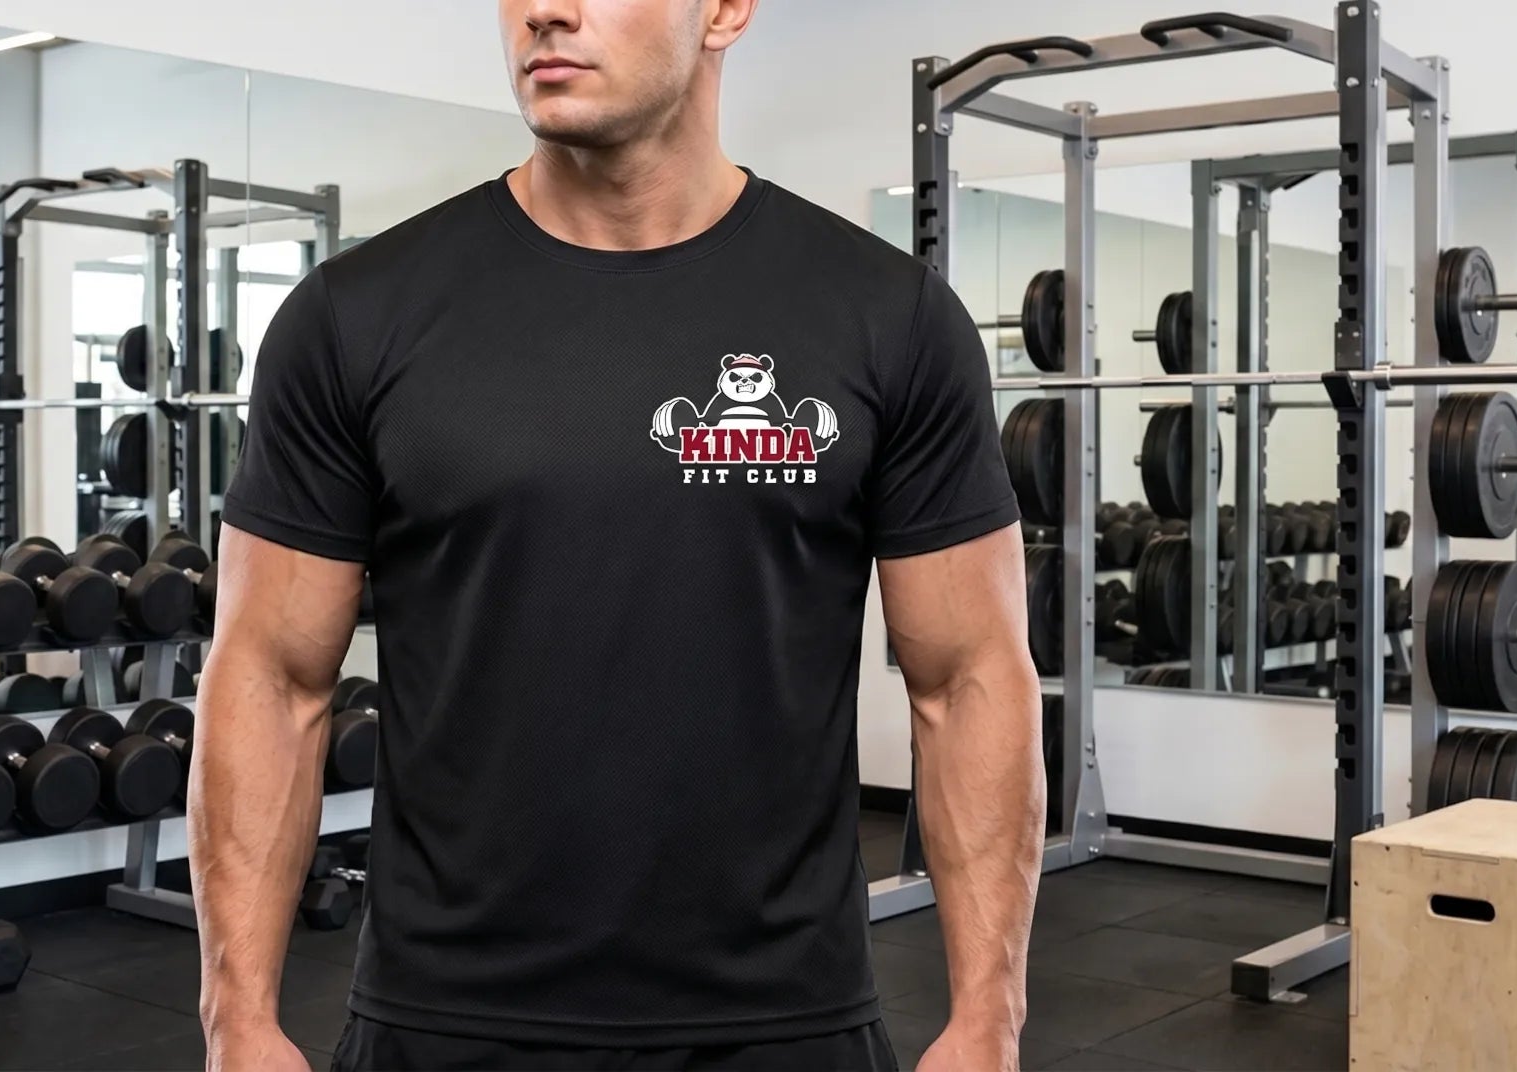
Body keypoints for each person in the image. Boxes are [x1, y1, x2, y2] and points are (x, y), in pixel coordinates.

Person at [190, 1, 1044, 1069]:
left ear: (724, 11)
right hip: (443, 1024)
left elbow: (968, 678)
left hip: (783, 1027)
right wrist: (237, 1018)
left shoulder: (891, 316)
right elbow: (271, 677)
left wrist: (988, 1019)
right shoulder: (352, 317)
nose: (546, 11)